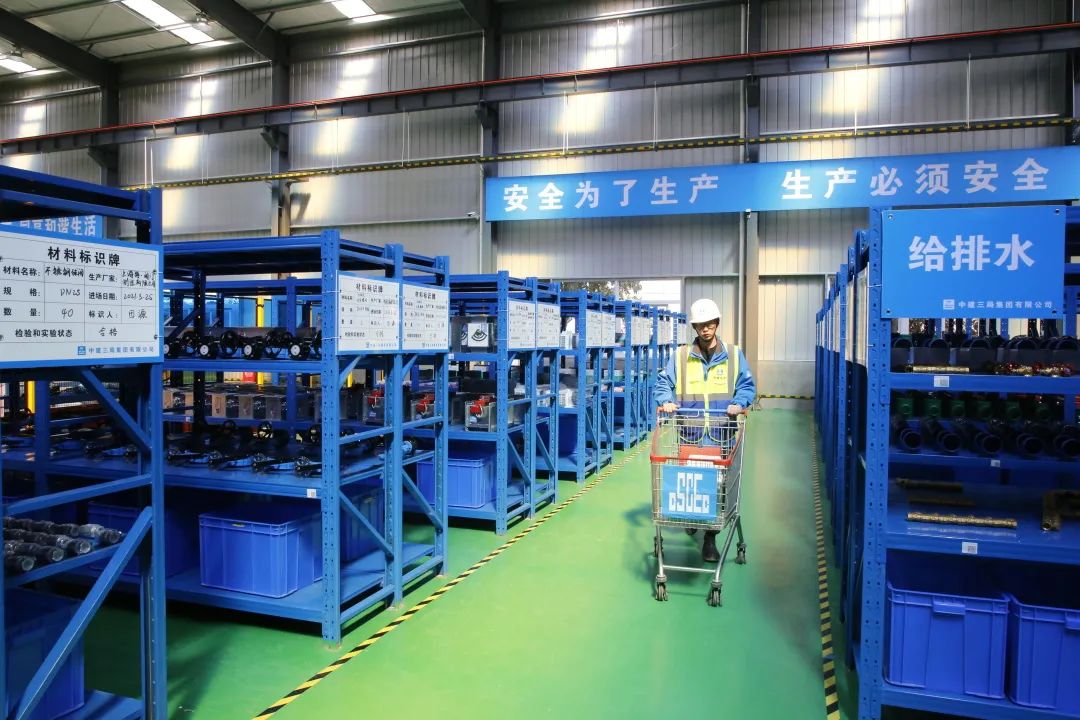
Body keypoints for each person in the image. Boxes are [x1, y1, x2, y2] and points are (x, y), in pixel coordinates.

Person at [653, 297, 756, 562]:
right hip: (691, 434)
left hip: (721, 434)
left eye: (710, 324)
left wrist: (739, 403)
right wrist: (666, 400)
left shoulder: (733, 355)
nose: (705, 329)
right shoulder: (681, 356)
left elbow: (746, 386)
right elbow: (663, 383)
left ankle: (710, 539)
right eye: (700, 325)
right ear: (694, 327)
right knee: (692, 484)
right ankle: (692, 518)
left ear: (717, 323)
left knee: (718, 489)